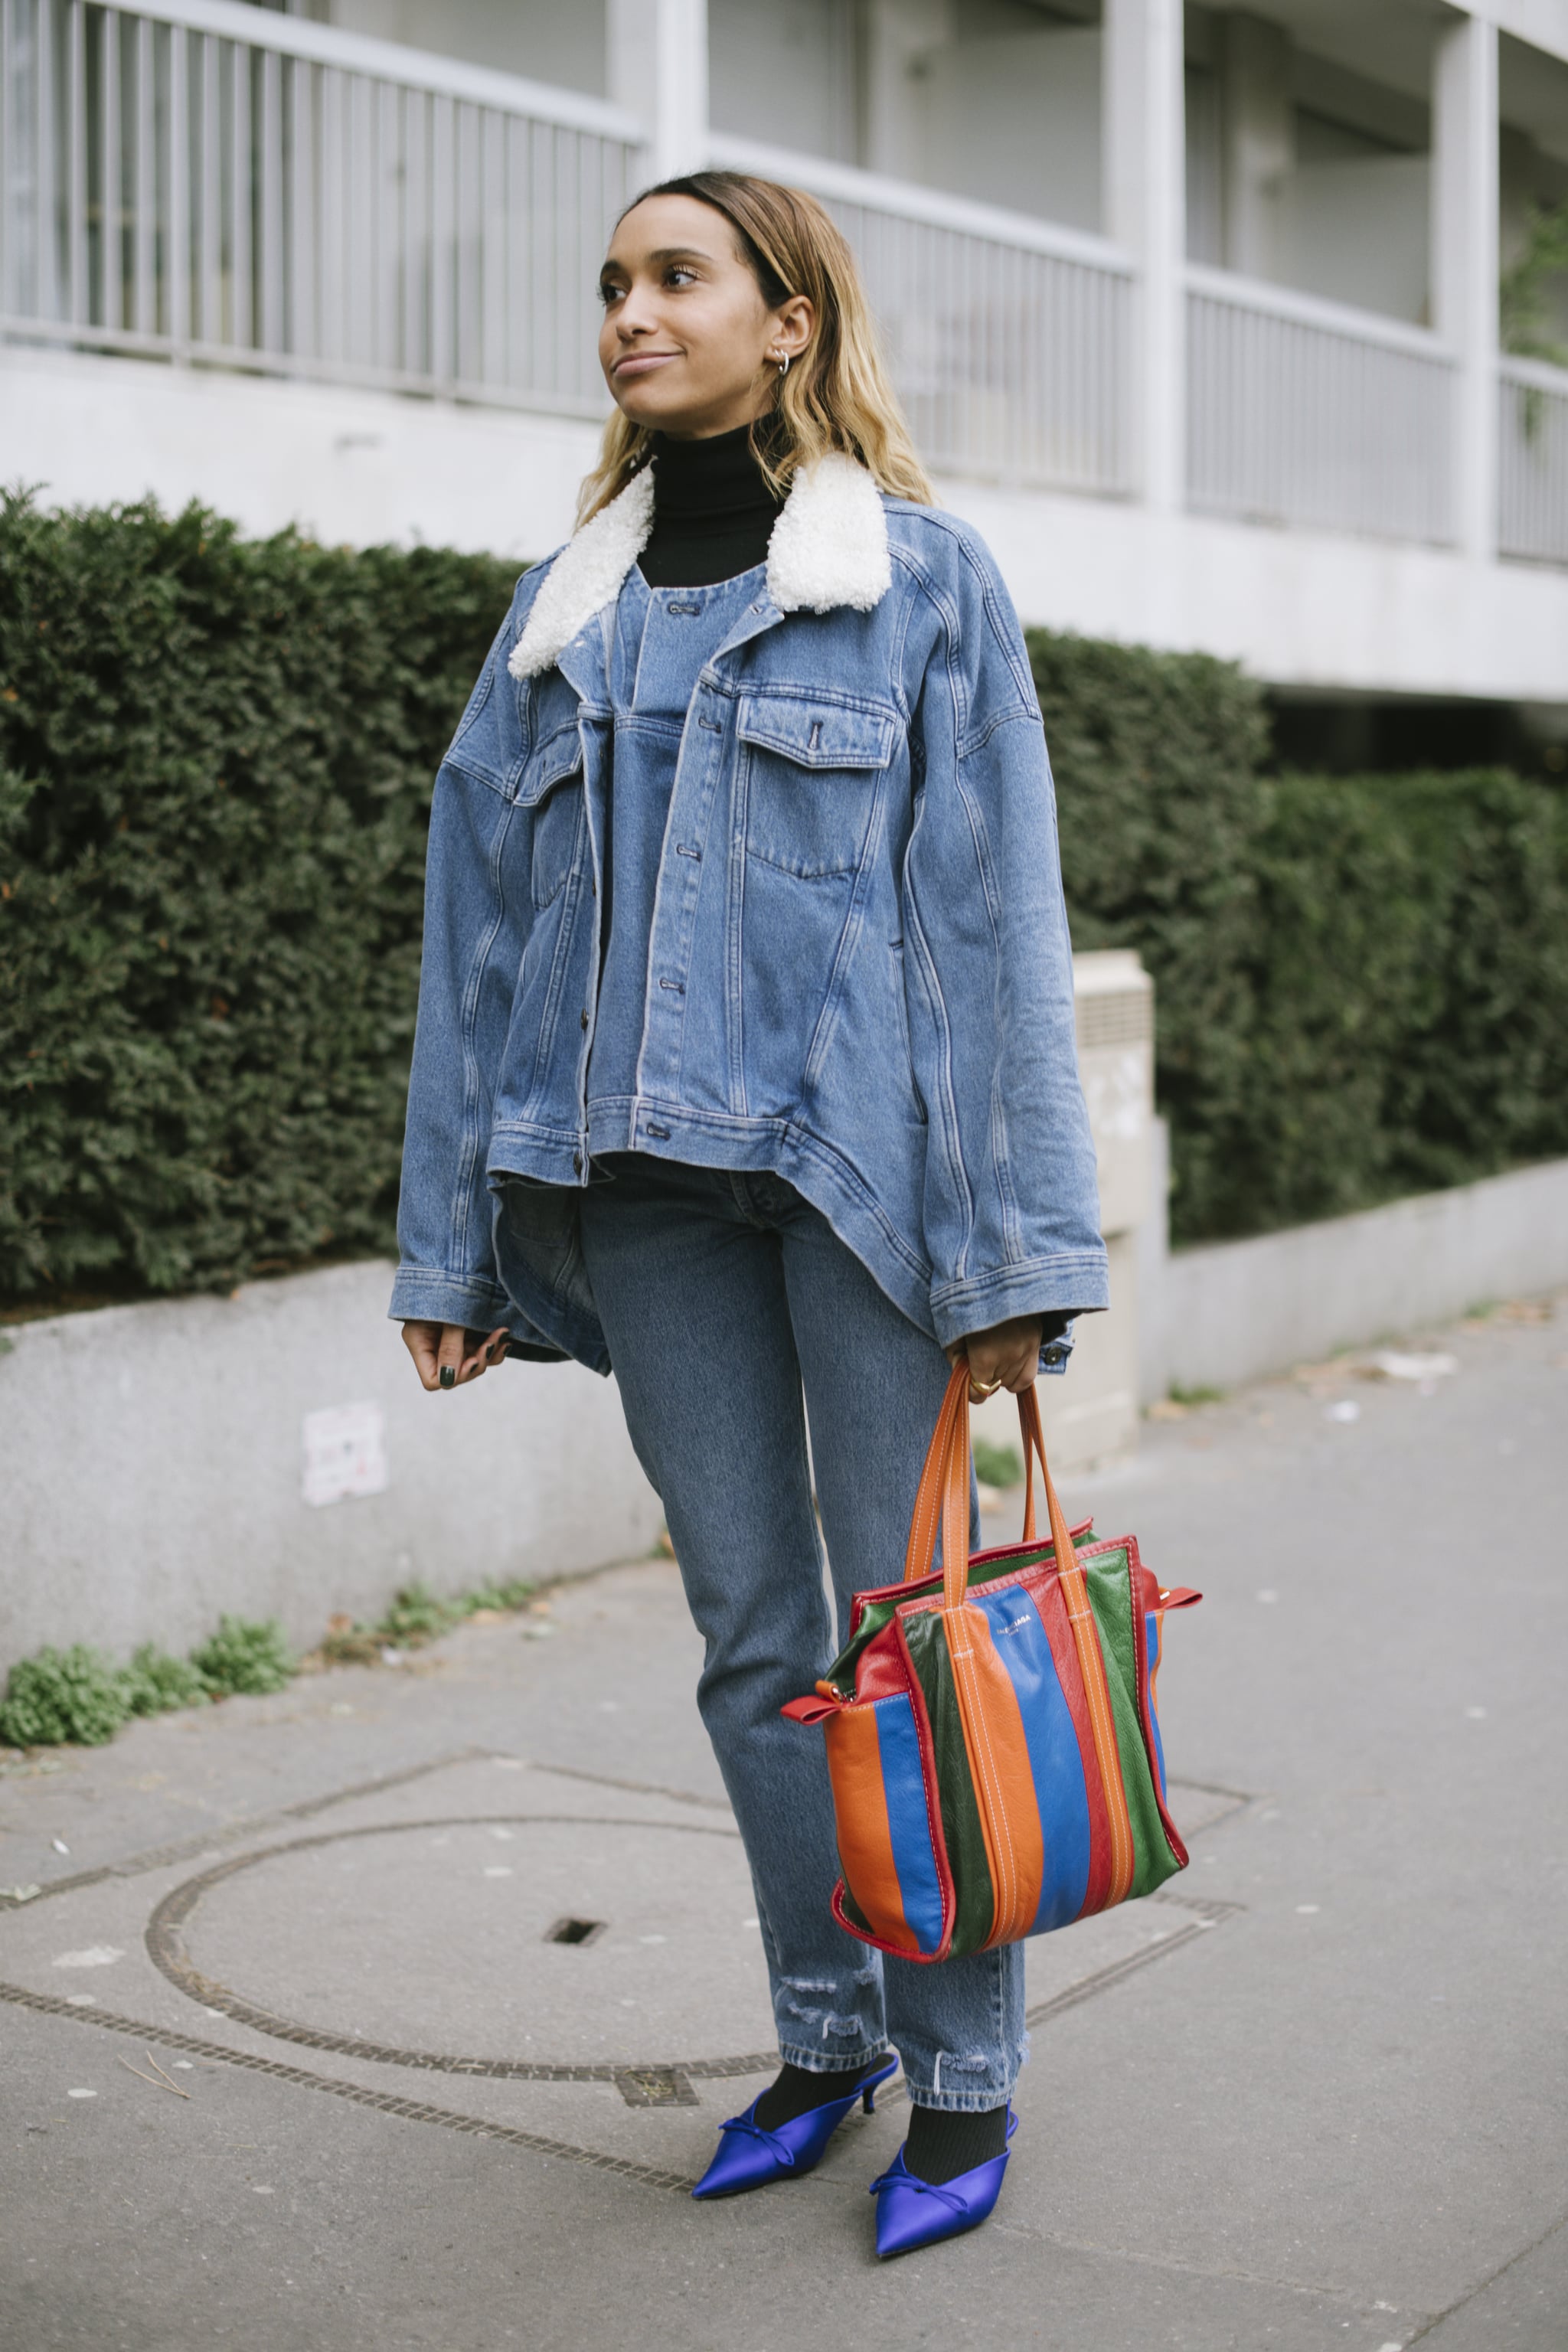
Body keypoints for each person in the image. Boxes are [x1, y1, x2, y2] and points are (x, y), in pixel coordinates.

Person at [392, 170, 1107, 2257]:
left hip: (869, 1200)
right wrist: (452, 1247)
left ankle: (964, 2075)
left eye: (677, 277)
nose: (630, 311)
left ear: (792, 319)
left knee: (913, 1645)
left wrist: (1012, 1269)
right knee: (751, 1646)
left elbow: (992, 941)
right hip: (643, 1210)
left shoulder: (921, 585)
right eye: (613, 283)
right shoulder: (563, 620)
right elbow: (478, 947)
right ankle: (826, 2035)